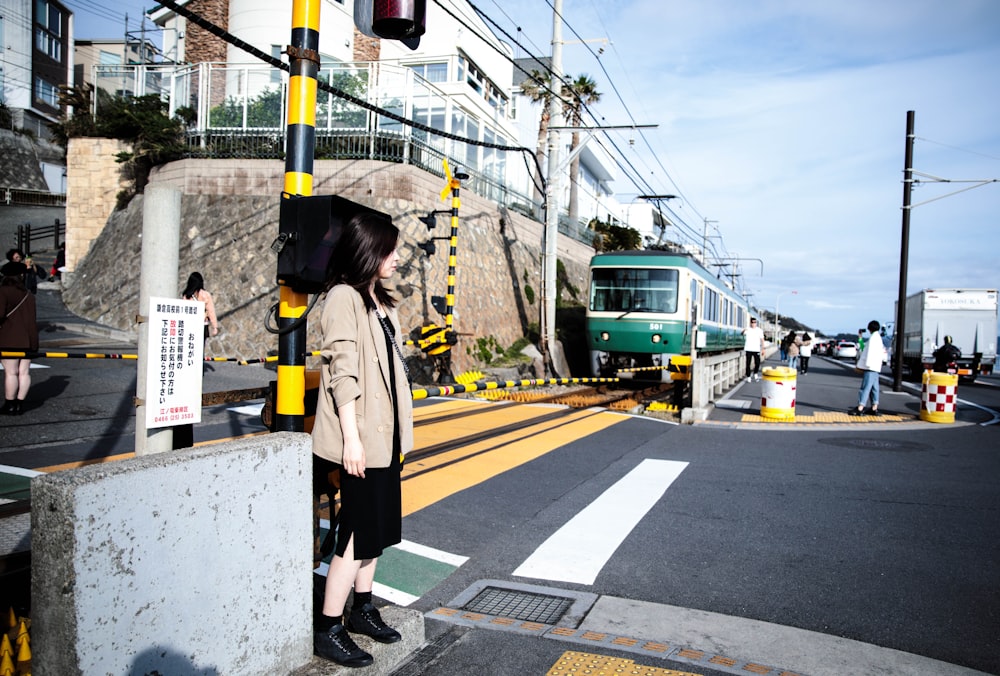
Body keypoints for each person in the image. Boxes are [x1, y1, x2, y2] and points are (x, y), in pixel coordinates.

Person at [311, 211, 413, 667]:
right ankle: (328, 626)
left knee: (378, 531)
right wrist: (351, 439)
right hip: (361, 439)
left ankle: (362, 607)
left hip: (385, 438)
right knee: (354, 533)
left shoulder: (379, 300)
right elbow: (342, 372)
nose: (396, 258)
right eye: (389, 250)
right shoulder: (342, 298)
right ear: (369, 251)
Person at [0, 262, 39, 415]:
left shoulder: (3, 291)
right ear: (20, 275)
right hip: (29, 339)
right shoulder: (29, 294)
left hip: (10, 338)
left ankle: (9, 404)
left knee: (11, 372)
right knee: (24, 372)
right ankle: (19, 404)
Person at [849, 320, 886, 417]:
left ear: (869, 328)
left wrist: (866, 365)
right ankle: (874, 407)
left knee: (865, 388)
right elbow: (864, 347)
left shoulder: (873, 339)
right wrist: (860, 338)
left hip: (870, 367)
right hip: (876, 367)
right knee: (874, 388)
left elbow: (864, 350)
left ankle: (860, 408)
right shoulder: (878, 338)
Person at [181, 272, 219, 341]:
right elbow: (211, 311)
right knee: (200, 348)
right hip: (202, 324)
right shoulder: (205, 295)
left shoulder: (186, 296)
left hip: (189, 325)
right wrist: (215, 326)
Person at [742, 317, 765, 382]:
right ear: (750, 323)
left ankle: (755, 373)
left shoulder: (759, 330)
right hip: (748, 348)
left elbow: (762, 340)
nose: (754, 324)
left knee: (757, 363)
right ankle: (748, 376)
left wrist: (763, 349)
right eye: (752, 322)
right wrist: (744, 330)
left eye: (755, 322)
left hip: (756, 349)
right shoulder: (748, 329)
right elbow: (742, 333)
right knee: (748, 363)